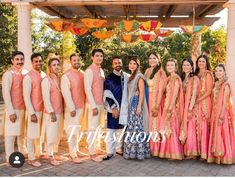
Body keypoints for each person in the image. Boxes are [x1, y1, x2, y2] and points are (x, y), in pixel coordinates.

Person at [2, 51, 27, 164]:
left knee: (22, 134)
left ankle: (22, 154)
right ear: (12, 61)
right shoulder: (8, 74)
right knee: (11, 135)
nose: (20, 61)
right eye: (17, 59)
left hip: (24, 109)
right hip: (13, 109)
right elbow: (6, 93)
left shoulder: (26, 73)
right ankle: (10, 158)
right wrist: (11, 112)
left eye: (21, 59)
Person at [123, 56, 150, 160]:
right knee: (131, 128)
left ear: (138, 65)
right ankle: (131, 152)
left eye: (134, 63)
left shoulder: (139, 76)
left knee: (137, 128)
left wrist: (139, 106)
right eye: (130, 63)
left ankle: (139, 152)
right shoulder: (131, 76)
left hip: (136, 104)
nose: (132, 65)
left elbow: (142, 92)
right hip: (131, 105)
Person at [61, 53, 86, 163]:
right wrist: (71, 108)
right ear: (71, 62)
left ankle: (76, 150)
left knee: (78, 130)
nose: (76, 62)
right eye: (74, 60)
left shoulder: (83, 74)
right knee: (71, 131)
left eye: (78, 60)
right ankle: (72, 154)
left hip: (82, 107)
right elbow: (66, 93)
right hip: (72, 109)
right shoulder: (66, 75)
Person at [207, 64, 235, 164]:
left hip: (221, 112)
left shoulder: (226, 85)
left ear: (224, 72)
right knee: (215, 132)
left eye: (220, 71)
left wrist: (221, 115)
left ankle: (225, 157)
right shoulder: (216, 84)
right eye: (216, 71)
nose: (218, 73)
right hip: (214, 112)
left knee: (222, 133)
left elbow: (224, 102)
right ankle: (216, 157)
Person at [103, 57, 129, 160]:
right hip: (113, 108)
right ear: (112, 65)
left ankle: (119, 149)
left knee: (121, 130)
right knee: (111, 130)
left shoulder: (126, 76)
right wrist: (113, 107)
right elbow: (107, 93)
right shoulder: (109, 78)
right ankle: (109, 152)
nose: (118, 64)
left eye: (119, 62)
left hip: (124, 107)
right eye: (115, 63)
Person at [158, 58, 184, 160]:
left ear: (176, 67)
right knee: (167, 126)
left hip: (172, 106)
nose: (169, 67)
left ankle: (174, 153)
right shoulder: (169, 78)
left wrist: (170, 107)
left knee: (172, 127)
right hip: (167, 104)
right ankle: (167, 151)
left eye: (172, 65)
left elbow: (175, 94)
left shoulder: (176, 78)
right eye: (168, 65)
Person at [23, 53, 46, 167]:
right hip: (34, 110)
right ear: (32, 63)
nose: (38, 63)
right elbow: (26, 96)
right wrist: (32, 113)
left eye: (40, 61)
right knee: (31, 135)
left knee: (40, 134)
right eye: (36, 61)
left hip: (43, 109)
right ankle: (31, 158)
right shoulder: (28, 76)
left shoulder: (44, 75)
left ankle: (39, 153)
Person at [144, 52, 167, 157]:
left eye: (154, 58)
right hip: (147, 99)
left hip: (156, 100)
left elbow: (162, 90)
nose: (152, 60)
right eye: (150, 58)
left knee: (155, 123)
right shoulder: (147, 71)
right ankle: (148, 146)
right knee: (149, 123)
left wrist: (157, 106)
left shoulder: (161, 72)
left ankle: (156, 148)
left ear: (158, 60)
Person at [41, 57, 64, 166]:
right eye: (53, 65)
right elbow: (46, 98)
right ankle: (49, 155)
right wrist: (51, 112)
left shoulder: (59, 79)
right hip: (51, 112)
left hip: (60, 111)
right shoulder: (46, 80)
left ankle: (53, 152)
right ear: (49, 67)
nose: (56, 67)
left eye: (57, 64)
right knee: (50, 134)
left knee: (57, 134)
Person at [84, 49, 105, 162]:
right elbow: (88, 89)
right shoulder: (89, 70)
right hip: (93, 105)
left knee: (98, 128)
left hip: (101, 104)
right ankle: (92, 153)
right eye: (97, 56)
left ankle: (96, 148)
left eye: (101, 56)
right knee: (92, 128)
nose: (99, 58)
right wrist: (93, 106)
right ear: (92, 57)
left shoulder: (101, 70)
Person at [180, 57, 200, 159]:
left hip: (190, 106)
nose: (185, 67)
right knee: (186, 128)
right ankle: (186, 150)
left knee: (191, 128)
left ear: (192, 67)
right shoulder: (183, 78)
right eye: (184, 65)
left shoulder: (194, 78)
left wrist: (190, 109)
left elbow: (194, 94)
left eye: (188, 65)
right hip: (183, 106)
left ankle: (192, 152)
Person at [195, 55, 213, 160]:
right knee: (196, 125)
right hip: (196, 102)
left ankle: (205, 152)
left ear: (206, 63)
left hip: (204, 102)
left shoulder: (208, 74)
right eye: (199, 61)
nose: (201, 63)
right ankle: (197, 150)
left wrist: (199, 100)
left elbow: (209, 91)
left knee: (204, 125)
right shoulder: (196, 74)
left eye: (203, 61)